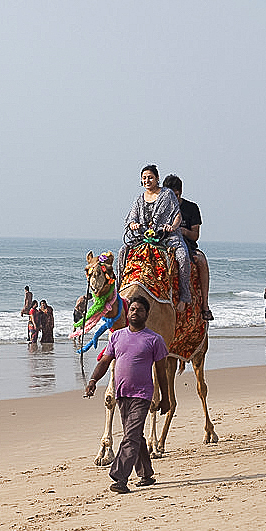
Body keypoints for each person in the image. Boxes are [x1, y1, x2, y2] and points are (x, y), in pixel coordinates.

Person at [83, 295, 171, 494]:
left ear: (147, 314)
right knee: (136, 437)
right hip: (122, 394)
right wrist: (93, 381)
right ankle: (146, 474)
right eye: (132, 309)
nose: (135, 312)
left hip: (143, 395)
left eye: (140, 310)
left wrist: (165, 398)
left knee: (129, 437)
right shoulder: (116, 336)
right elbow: (105, 361)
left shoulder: (154, 340)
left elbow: (161, 372)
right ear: (127, 312)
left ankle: (120, 478)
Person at [116, 165, 191, 313]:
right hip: (143, 237)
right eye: (144, 178)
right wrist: (133, 225)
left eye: (150, 177)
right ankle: (118, 290)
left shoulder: (167, 194)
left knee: (182, 256)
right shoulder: (139, 199)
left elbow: (177, 215)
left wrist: (173, 227)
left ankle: (184, 295)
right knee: (122, 252)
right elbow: (131, 218)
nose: (147, 180)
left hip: (166, 236)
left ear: (157, 178)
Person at [163, 175, 214, 321]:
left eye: (177, 195)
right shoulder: (161, 209)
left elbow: (195, 235)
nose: (174, 199)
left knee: (202, 261)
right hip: (165, 244)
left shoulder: (191, 208)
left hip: (187, 245)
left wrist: (181, 230)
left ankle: (205, 305)